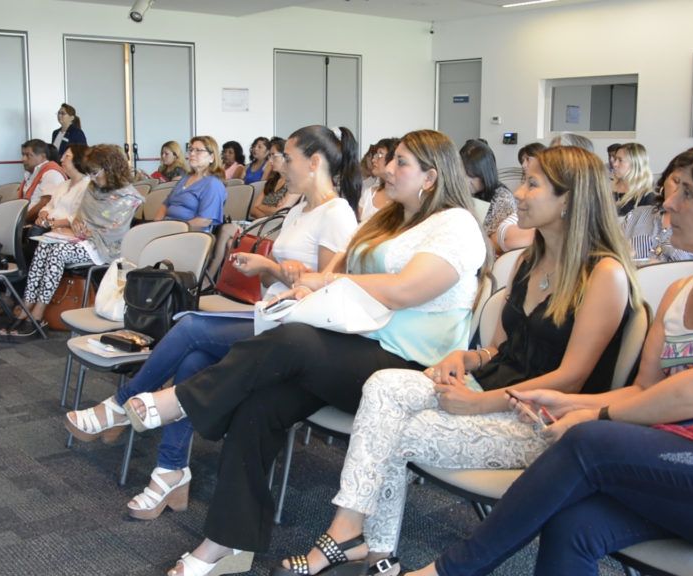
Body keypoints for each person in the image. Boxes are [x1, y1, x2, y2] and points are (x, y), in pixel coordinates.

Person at [408, 141, 693, 576]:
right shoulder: (679, 294)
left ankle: (449, 570)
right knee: (573, 524)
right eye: (673, 190)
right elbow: (644, 392)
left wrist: (595, 414)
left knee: (589, 441)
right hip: (689, 467)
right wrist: (571, 402)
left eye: (689, 194)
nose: (670, 203)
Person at [123, 129, 484, 576]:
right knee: (259, 404)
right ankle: (223, 544)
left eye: (401, 163)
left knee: (292, 342)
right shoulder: (389, 218)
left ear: (431, 177)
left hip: (410, 368)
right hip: (356, 348)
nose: (387, 169)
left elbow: (407, 290)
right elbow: (341, 271)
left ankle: (180, 401)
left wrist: (327, 282)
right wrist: (305, 283)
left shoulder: (457, 225)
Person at [277, 145, 641, 576]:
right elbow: (502, 350)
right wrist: (466, 357)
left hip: (544, 421)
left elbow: (572, 377)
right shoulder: (529, 259)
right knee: (383, 385)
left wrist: (479, 403)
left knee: (400, 431)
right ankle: (359, 541)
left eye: (532, 184)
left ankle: (367, 550)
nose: (518, 194)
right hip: (492, 390)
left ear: (570, 200)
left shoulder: (603, 275)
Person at [63, 125, 360, 522]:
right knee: (192, 360)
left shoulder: (337, 213)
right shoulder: (299, 210)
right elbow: (277, 282)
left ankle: (120, 406)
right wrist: (265, 269)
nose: (280, 164)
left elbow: (326, 290)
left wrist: (272, 268)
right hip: (270, 316)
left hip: (297, 332)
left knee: (189, 327)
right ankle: (170, 472)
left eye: (287, 157)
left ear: (315, 161)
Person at [0, 144, 141, 341]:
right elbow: (79, 217)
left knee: (57, 252)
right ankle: (26, 306)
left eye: (94, 172)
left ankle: (38, 313)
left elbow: (113, 229)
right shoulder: (94, 187)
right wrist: (78, 225)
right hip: (83, 240)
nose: (91, 177)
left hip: (106, 247)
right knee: (45, 244)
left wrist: (84, 228)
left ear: (110, 168)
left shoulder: (128, 195)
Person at [623, 148, 693, 263]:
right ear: (665, 179)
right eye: (676, 181)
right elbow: (611, 254)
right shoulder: (636, 215)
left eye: (690, 187)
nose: (679, 191)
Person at [153, 136, 226, 232]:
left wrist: (172, 230)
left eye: (198, 151)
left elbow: (204, 220)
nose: (192, 153)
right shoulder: (185, 178)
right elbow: (165, 205)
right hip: (168, 229)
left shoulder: (213, 184)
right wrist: (156, 226)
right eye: (191, 150)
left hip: (189, 234)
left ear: (211, 157)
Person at [460, 139, 515, 251]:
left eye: (472, 176)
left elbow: (497, 245)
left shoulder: (502, 199)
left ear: (485, 174)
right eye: (462, 174)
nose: (466, 181)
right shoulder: (461, 192)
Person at [249, 138, 301, 219]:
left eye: (273, 156)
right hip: (263, 226)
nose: (270, 161)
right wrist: (267, 220)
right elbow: (253, 209)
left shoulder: (295, 182)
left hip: (280, 229)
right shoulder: (272, 181)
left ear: (286, 156)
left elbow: (281, 211)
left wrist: (261, 206)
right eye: (269, 156)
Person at [18, 139, 65, 224]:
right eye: (23, 155)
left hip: (36, 223)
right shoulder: (32, 174)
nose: (23, 159)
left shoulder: (51, 173)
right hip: (25, 221)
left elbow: (46, 202)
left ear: (42, 156)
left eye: (28, 155)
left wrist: (21, 221)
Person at [357, 138, 398, 223]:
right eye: (375, 155)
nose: (373, 160)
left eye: (380, 155)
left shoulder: (403, 199)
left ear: (393, 159)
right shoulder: (369, 194)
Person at [613, 142, 653, 216]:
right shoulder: (607, 187)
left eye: (620, 160)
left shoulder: (646, 197)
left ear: (635, 163)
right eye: (615, 159)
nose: (614, 164)